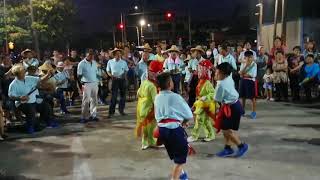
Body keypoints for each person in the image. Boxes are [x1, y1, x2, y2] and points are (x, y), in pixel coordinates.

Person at [154, 72, 193, 180]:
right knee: (180, 158)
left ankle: (182, 174)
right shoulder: (175, 96)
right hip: (173, 130)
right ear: (170, 84)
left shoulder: (157, 97)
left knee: (175, 154)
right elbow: (188, 114)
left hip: (162, 130)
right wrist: (184, 121)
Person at [8, 64, 57, 134]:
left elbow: (41, 80)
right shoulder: (13, 84)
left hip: (34, 100)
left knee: (46, 106)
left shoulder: (28, 78)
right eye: (23, 72)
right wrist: (19, 98)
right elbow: (11, 96)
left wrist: (48, 74)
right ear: (17, 74)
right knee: (31, 110)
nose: (25, 73)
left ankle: (47, 122)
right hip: (22, 103)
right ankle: (30, 127)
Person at [214, 62, 248, 158]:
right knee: (225, 128)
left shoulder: (220, 85)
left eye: (218, 73)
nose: (215, 74)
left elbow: (217, 99)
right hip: (234, 104)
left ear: (223, 74)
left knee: (226, 130)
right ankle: (228, 148)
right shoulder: (229, 76)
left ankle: (241, 145)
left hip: (232, 107)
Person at [136, 61, 163, 150]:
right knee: (151, 127)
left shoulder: (144, 82)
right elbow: (156, 100)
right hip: (149, 110)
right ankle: (152, 142)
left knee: (145, 127)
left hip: (141, 108)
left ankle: (145, 143)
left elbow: (138, 93)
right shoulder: (152, 86)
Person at [187, 60, 216, 143]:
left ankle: (194, 135)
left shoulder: (207, 83)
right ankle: (211, 134)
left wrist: (205, 97)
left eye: (200, 69)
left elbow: (213, 93)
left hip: (205, 104)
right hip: (200, 103)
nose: (198, 71)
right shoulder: (201, 81)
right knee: (205, 121)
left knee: (199, 120)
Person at [77, 49, 100, 123]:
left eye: (92, 54)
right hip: (86, 83)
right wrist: (81, 84)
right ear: (86, 55)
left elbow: (96, 73)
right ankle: (84, 117)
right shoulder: (81, 63)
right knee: (86, 101)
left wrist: (99, 80)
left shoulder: (94, 62)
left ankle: (93, 115)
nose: (91, 56)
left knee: (94, 100)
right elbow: (79, 75)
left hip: (95, 83)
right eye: (89, 54)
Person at [106, 48, 129, 118]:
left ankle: (121, 110)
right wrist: (111, 76)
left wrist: (124, 75)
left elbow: (126, 70)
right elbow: (108, 70)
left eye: (119, 54)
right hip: (114, 80)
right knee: (114, 96)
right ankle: (111, 112)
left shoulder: (124, 62)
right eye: (116, 54)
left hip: (122, 79)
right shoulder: (110, 62)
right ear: (114, 55)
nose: (118, 55)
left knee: (123, 96)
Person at [239, 51, 257, 119]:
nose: (249, 59)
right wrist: (246, 65)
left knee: (252, 98)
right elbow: (240, 73)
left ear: (252, 57)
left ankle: (254, 112)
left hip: (250, 82)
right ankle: (242, 111)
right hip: (243, 81)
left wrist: (243, 74)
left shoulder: (254, 64)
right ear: (245, 57)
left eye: (250, 57)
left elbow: (253, 75)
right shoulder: (243, 64)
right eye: (247, 57)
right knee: (243, 97)